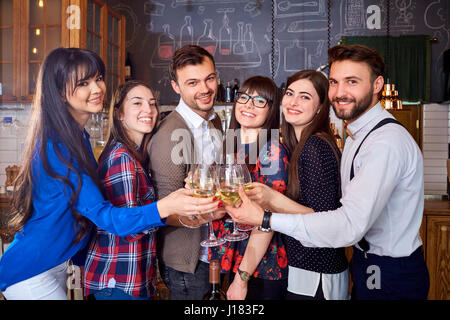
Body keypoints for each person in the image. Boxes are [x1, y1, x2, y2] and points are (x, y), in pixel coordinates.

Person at [0, 48, 218, 300]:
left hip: (56, 265)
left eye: (98, 79)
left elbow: (84, 216)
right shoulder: (57, 146)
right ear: (60, 92)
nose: (97, 89)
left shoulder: (77, 137)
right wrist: (167, 205)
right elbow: (106, 218)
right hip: (31, 271)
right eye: (83, 83)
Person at [226, 44, 429, 300]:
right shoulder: (355, 134)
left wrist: (266, 215)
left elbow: (344, 224)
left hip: (382, 270)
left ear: (378, 85)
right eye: (334, 82)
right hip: (362, 265)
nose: (340, 92)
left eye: (352, 81)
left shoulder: (379, 143)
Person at [148, 45, 225, 300]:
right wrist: (219, 208)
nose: (204, 89)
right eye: (192, 82)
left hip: (215, 253)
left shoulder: (213, 121)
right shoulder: (169, 135)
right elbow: (165, 211)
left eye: (209, 78)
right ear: (176, 87)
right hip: (188, 263)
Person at [210, 76, 289, 300]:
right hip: (234, 261)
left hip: (260, 268)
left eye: (259, 100)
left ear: (271, 110)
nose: (248, 104)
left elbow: (266, 222)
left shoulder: (271, 150)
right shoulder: (231, 145)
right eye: (244, 97)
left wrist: (241, 279)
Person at [84, 80, 161, 300]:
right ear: (119, 114)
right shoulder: (122, 157)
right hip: (116, 282)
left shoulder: (135, 156)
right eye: (137, 103)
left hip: (129, 280)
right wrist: (172, 209)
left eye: (152, 103)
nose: (148, 110)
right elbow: (129, 226)